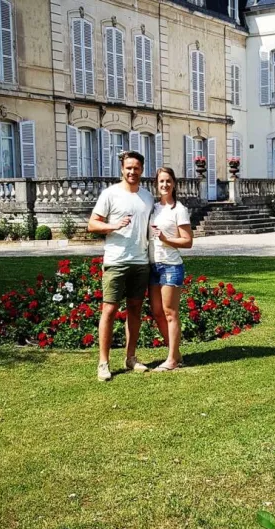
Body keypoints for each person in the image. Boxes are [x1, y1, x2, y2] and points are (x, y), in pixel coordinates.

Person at [88, 151, 154, 382]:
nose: (132, 172)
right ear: (122, 169)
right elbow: (92, 224)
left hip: (140, 261)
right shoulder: (110, 194)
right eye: (128, 168)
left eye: (136, 168)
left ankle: (130, 358)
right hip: (116, 261)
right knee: (109, 310)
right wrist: (114, 225)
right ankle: (103, 363)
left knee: (135, 309)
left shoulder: (147, 197)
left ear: (142, 170)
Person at [148, 167, 194, 371]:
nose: (164, 185)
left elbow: (188, 241)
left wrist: (166, 239)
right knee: (157, 312)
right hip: (152, 265)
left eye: (168, 181)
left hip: (170, 265)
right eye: (161, 181)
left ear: (174, 184)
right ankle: (176, 354)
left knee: (170, 313)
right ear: (156, 184)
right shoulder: (153, 208)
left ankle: (172, 360)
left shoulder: (179, 209)